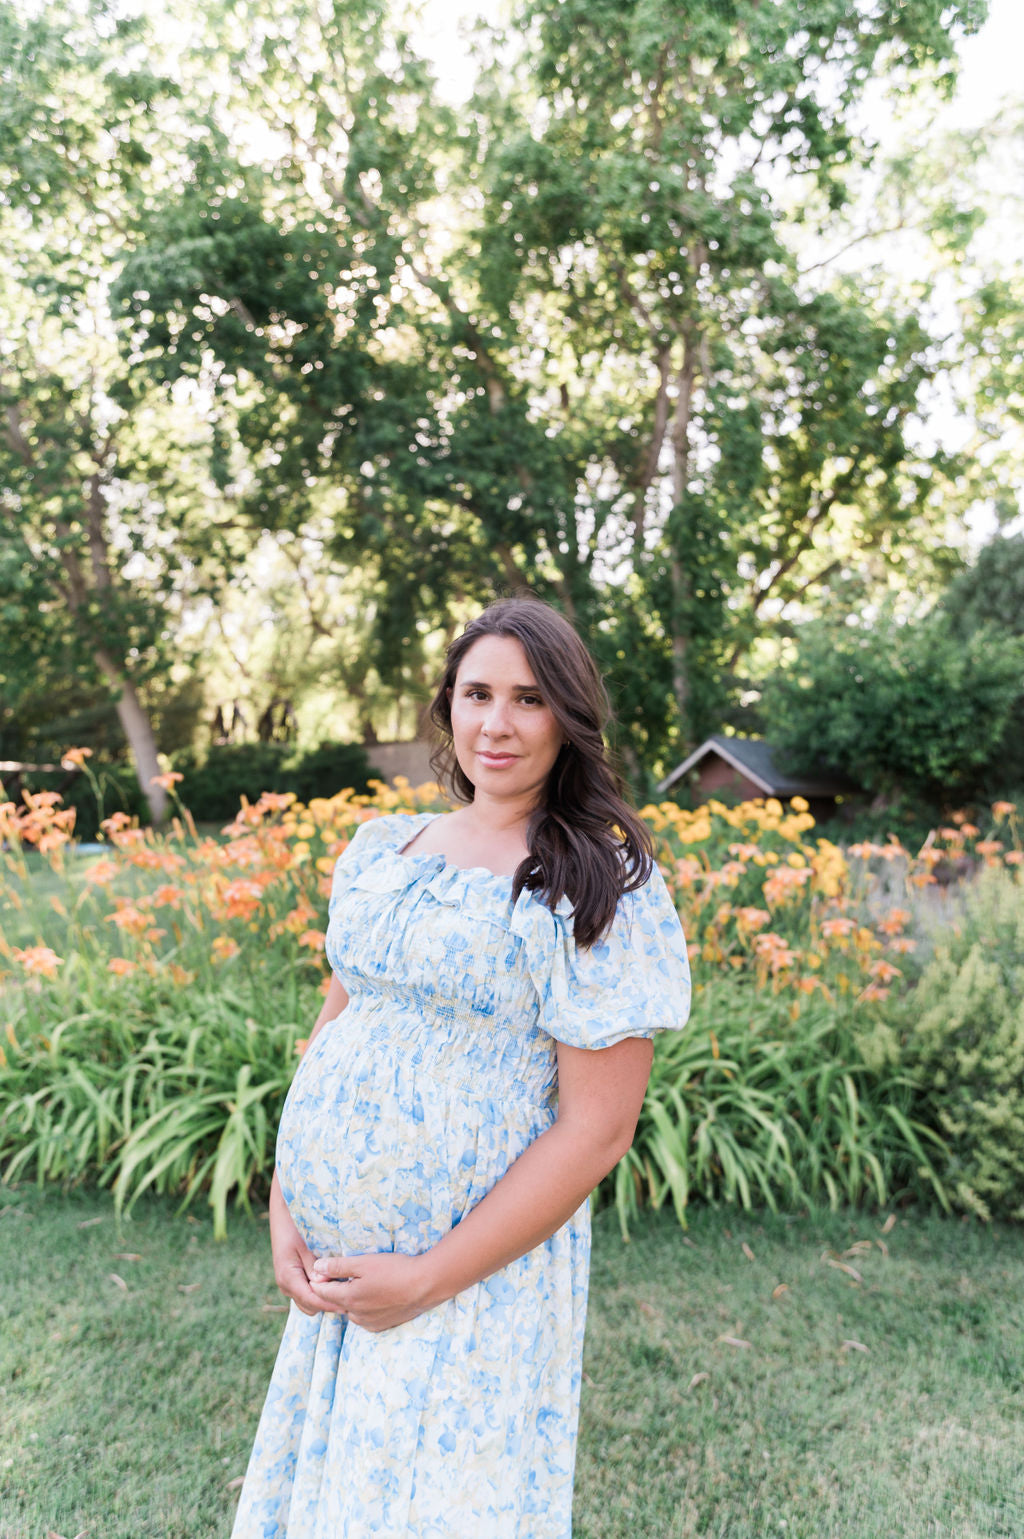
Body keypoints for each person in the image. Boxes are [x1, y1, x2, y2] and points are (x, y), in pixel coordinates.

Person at [230, 596, 691, 1539]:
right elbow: (337, 1025)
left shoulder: (596, 884)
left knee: (438, 1505)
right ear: (446, 705)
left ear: (568, 714)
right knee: (344, 1499)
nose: (497, 722)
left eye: (528, 698)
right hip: (340, 1277)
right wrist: (289, 1208)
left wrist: (430, 1276)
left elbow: (597, 1130)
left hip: (473, 1273)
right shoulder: (386, 852)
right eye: (477, 692)